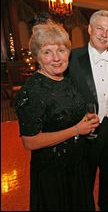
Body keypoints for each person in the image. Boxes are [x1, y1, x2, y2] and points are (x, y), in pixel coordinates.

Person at [14, 22, 100, 210]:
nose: (56, 58)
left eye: (61, 50)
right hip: (52, 174)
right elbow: (30, 141)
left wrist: (85, 118)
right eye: (47, 52)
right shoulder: (31, 91)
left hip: (77, 166)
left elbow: (66, 112)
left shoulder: (67, 80)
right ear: (37, 56)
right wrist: (77, 129)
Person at [67, 10, 108, 211]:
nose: (104, 34)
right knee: (84, 177)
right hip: (84, 129)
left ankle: (106, 204)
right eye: (100, 29)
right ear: (90, 29)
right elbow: (63, 93)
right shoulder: (72, 57)